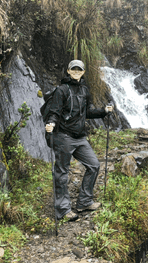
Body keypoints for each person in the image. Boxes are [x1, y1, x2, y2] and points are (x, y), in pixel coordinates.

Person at [45, 59, 114, 222]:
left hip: (80, 137)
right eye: (73, 69)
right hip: (64, 137)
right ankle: (63, 209)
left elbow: (88, 112)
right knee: (62, 172)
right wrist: (51, 123)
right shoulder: (61, 90)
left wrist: (103, 111)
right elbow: (54, 111)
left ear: (83, 72)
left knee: (94, 165)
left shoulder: (85, 90)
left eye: (79, 70)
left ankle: (84, 202)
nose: (76, 72)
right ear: (68, 71)